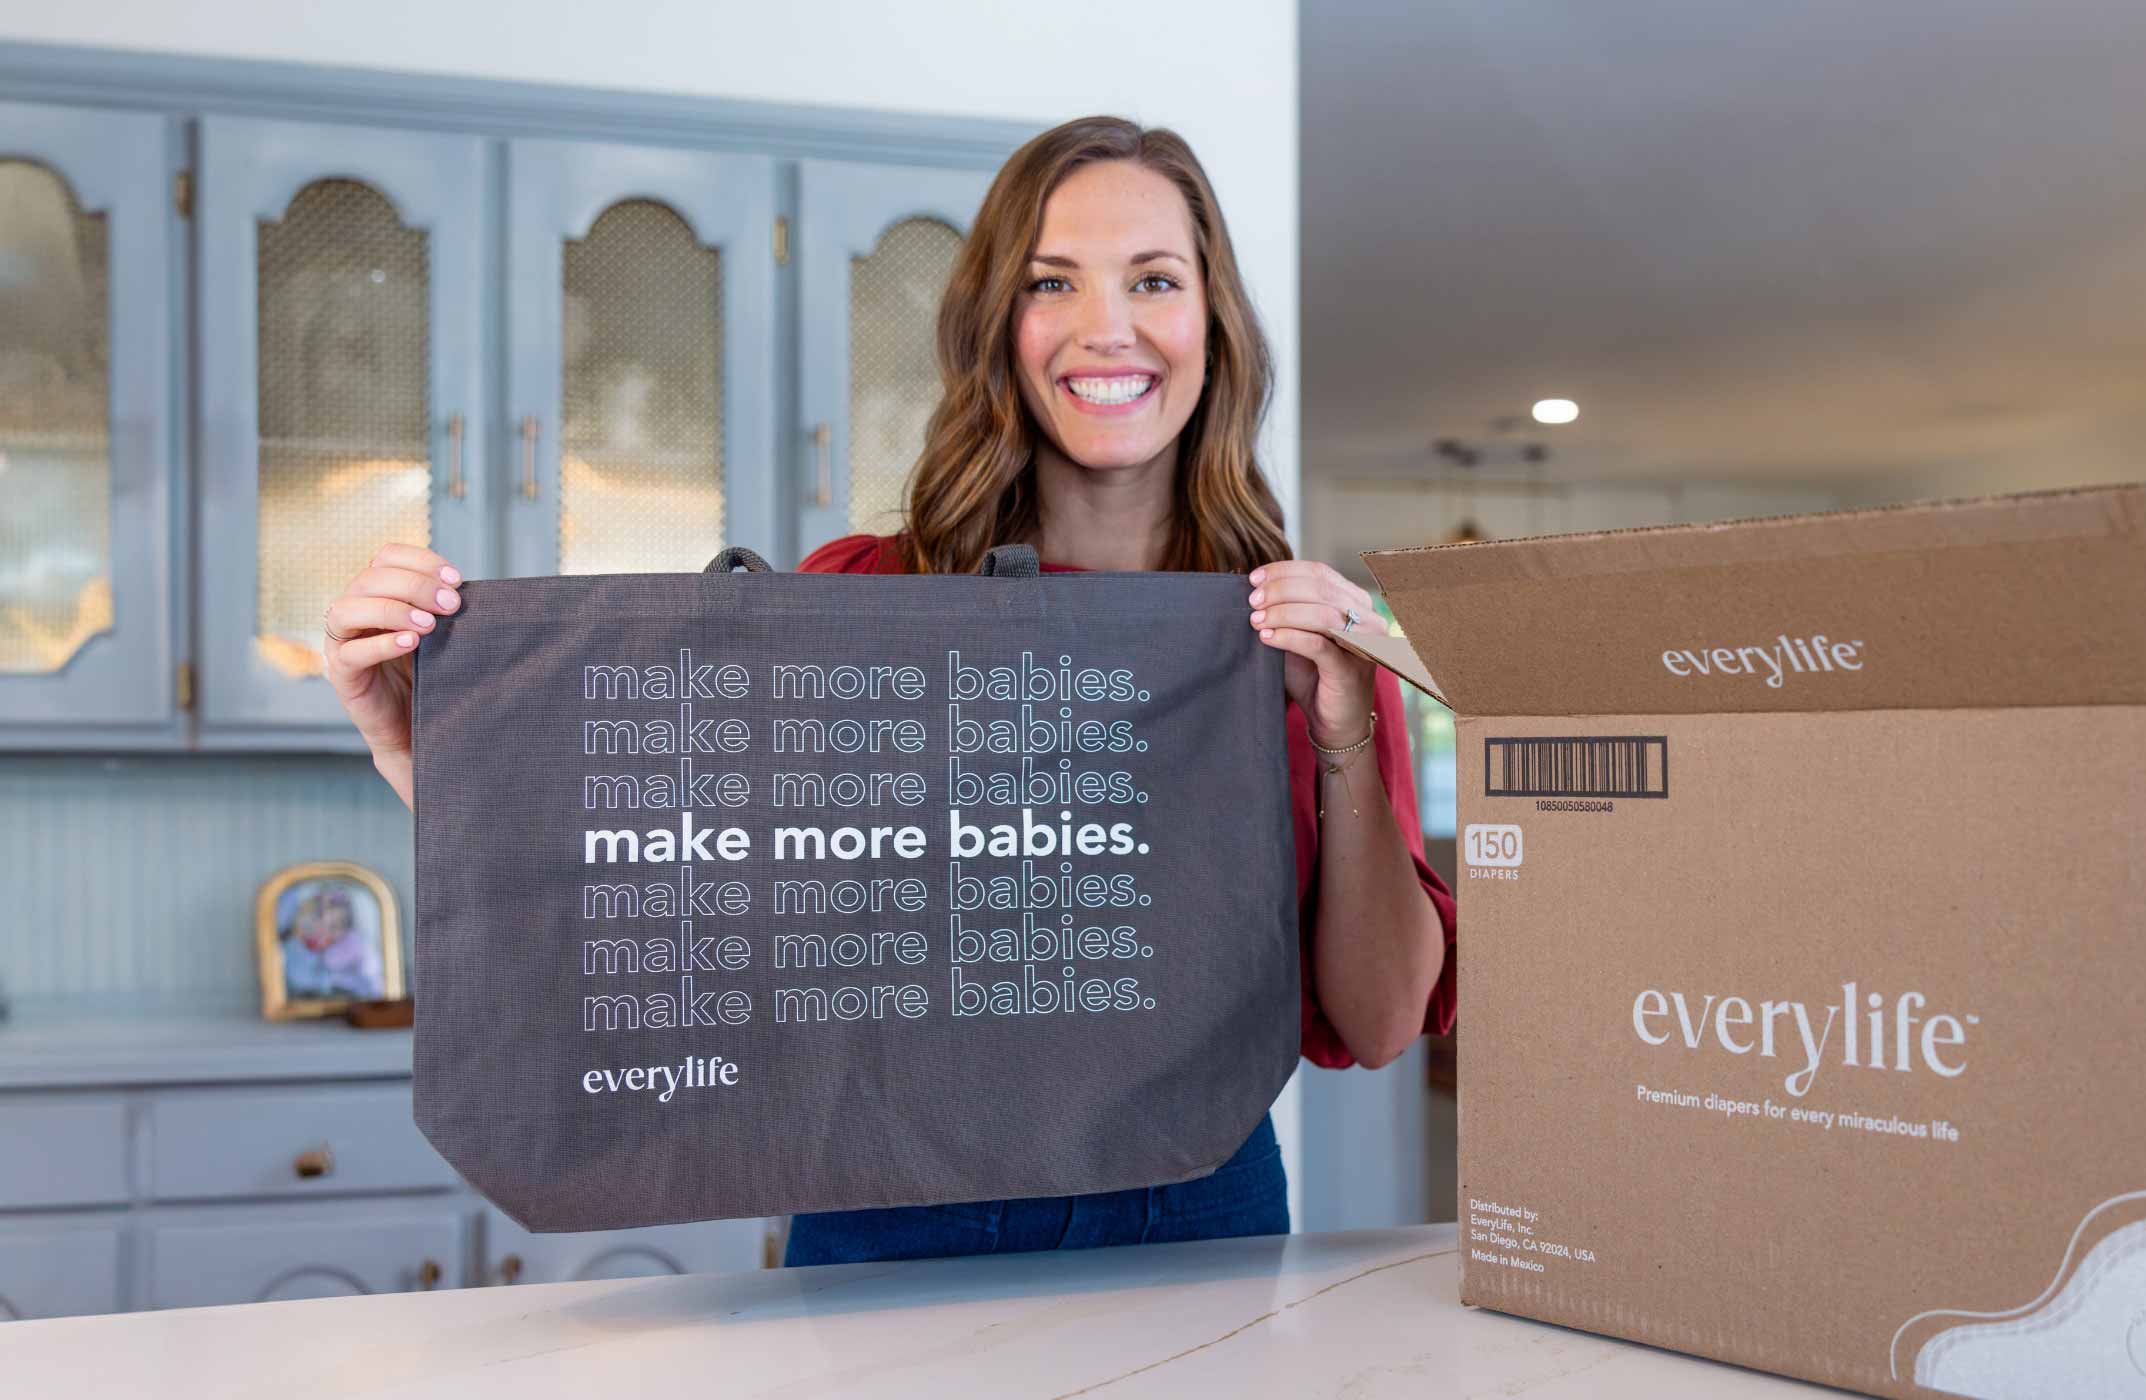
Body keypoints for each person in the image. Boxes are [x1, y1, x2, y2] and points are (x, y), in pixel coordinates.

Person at [314, 116, 1457, 1263]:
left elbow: (1379, 1016)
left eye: (1152, 278)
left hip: (1194, 1204)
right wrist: (420, 754)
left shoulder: (1303, 639)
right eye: (1050, 281)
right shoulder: (864, 598)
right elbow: (669, 903)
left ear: (1213, 321)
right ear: (996, 328)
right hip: (883, 1207)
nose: (1106, 327)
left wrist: (1345, 730)